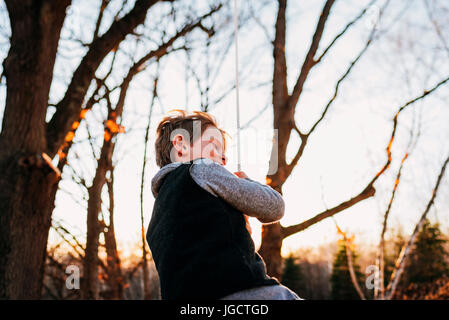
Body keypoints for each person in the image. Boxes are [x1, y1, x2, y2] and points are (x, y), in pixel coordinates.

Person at [147, 109, 301, 300]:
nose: (223, 158)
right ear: (180, 145)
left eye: (224, 151)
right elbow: (275, 207)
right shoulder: (201, 169)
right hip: (246, 293)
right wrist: (247, 182)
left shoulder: (158, 217)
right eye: (215, 145)